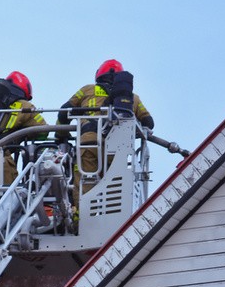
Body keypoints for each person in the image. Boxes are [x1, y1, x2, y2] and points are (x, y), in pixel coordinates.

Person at [57, 59, 154, 214]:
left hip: (88, 144)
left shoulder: (87, 90)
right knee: (114, 185)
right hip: (117, 150)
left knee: (85, 183)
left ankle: (82, 218)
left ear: (99, 75)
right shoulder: (132, 98)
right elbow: (149, 121)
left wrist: (61, 136)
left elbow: (63, 113)